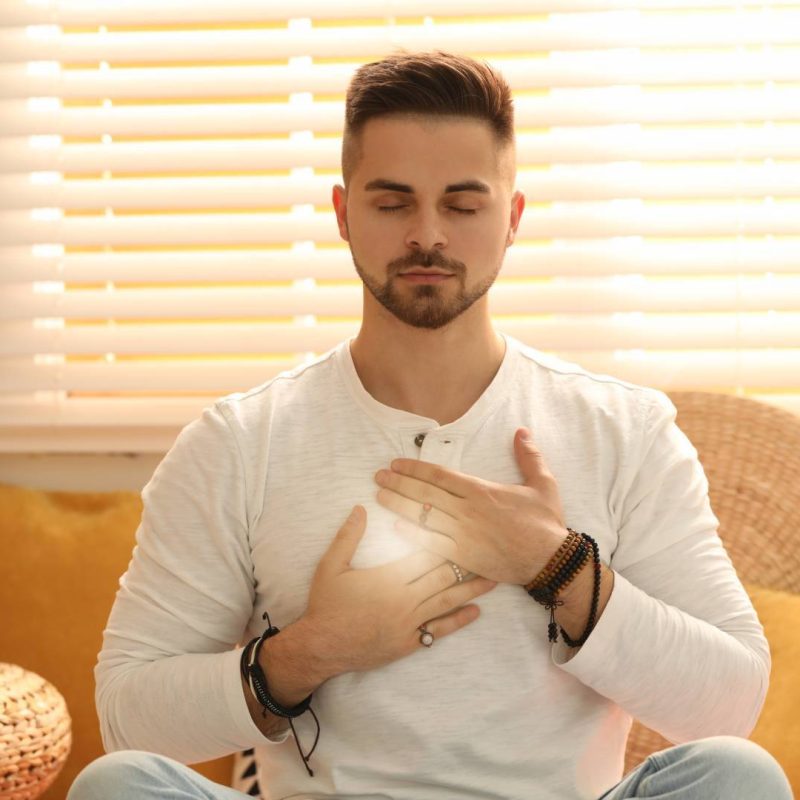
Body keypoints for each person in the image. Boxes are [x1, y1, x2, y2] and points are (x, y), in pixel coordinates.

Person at [68, 51, 792, 800]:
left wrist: (556, 566)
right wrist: (313, 650)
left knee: (737, 778)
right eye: (393, 202)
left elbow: (729, 703)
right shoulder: (239, 443)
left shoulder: (626, 431)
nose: (428, 235)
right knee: (118, 785)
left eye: (461, 204)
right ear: (344, 213)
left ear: (511, 219)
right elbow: (130, 716)